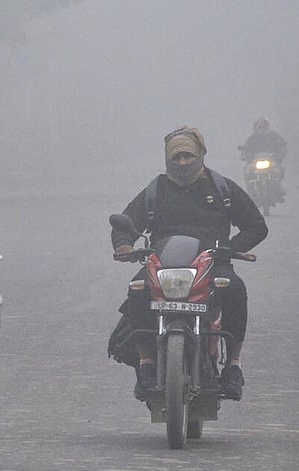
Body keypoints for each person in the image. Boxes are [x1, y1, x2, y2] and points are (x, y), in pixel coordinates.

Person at [107, 126, 268, 400]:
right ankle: (146, 364)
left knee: (235, 290)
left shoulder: (223, 189)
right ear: (167, 159)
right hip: (162, 266)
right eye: (177, 157)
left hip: (212, 263)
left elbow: (256, 226)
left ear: (200, 156)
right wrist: (124, 245)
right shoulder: (155, 190)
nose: (182, 163)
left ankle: (233, 366)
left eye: (188, 157)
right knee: (137, 289)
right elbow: (126, 223)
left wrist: (230, 249)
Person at [239, 117, 287, 201]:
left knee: (279, 169)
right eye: (260, 127)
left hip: (271, 161)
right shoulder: (252, 138)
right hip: (254, 162)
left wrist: (278, 157)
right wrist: (245, 155)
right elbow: (246, 149)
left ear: (267, 127)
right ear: (256, 127)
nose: (262, 128)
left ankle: (278, 189)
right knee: (246, 170)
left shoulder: (274, 136)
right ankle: (250, 192)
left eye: (264, 126)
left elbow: (281, 147)